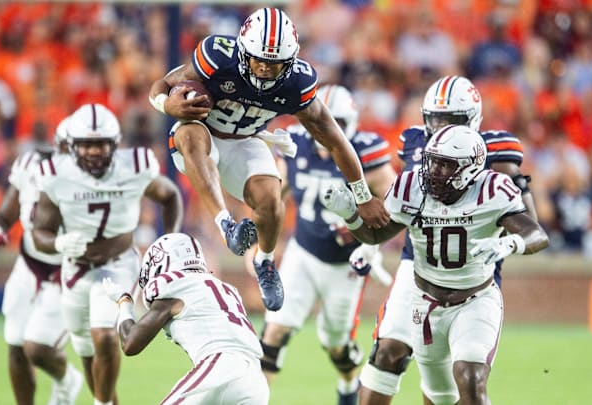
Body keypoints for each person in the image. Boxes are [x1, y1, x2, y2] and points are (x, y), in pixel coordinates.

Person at [148, 7, 389, 312]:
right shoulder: (218, 56)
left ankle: (265, 261)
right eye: (258, 59)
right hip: (202, 136)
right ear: (243, 51)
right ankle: (226, 226)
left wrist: (363, 196)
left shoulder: (297, 83)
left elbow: (336, 141)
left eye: (273, 64)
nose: (263, 68)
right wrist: (168, 105)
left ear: (289, 62)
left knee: (270, 199)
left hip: (245, 141)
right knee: (189, 133)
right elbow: (162, 85)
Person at [324, 124, 549, 405]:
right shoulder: (411, 186)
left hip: (475, 300)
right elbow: (376, 233)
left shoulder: (492, 189)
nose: (433, 171)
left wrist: (509, 243)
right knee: (441, 397)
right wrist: (351, 215)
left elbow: (536, 233)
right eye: (432, 161)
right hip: (425, 302)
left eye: (444, 165)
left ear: (469, 168)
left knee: (470, 377)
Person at [32, 103, 183, 405]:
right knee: (86, 350)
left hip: (119, 264)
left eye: (101, 143)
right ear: (72, 146)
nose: (94, 151)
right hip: (75, 269)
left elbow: (170, 196)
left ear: (115, 143)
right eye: (87, 144)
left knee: (103, 336)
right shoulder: (56, 174)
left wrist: (170, 240)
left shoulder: (134, 166)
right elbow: (40, 233)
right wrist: (58, 244)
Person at [258, 84, 397, 405]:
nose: (327, 130)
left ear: (351, 125)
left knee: (337, 347)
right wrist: (260, 240)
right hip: (303, 252)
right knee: (274, 331)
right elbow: (275, 195)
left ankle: (348, 386)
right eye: (322, 120)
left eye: (338, 122)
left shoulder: (366, 152)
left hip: (345, 263)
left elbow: (395, 205)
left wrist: (369, 245)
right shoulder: (294, 145)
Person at [101, 232, 269, 405]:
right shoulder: (226, 290)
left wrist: (124, 302)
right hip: (256, 382)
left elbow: (130, 343)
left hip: (221, 369)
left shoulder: (176, 285)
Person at [0, 117, 83, 405]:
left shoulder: (94, 181)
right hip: (28, 266)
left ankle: (67, 380)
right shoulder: (30, 166)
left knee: (37, 348)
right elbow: (6, 211)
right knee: (15, 345)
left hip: (67, 270)